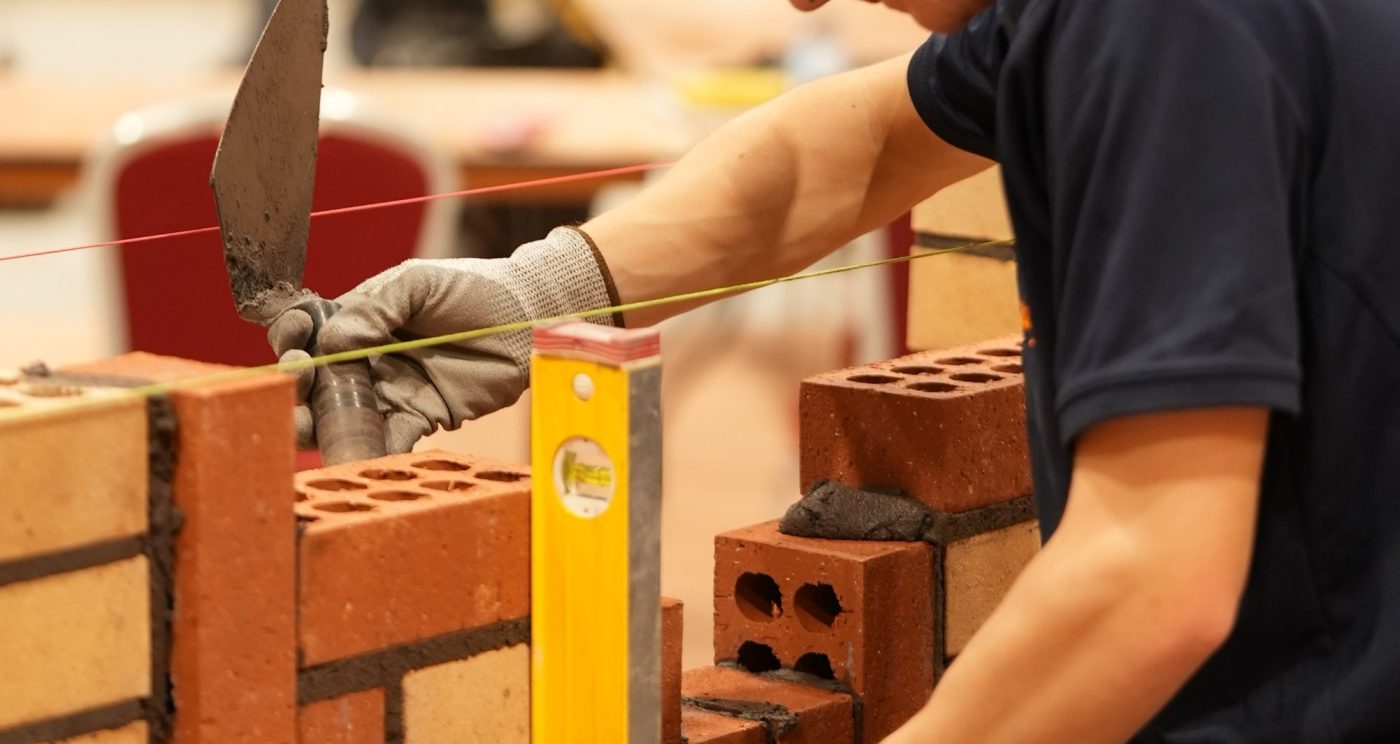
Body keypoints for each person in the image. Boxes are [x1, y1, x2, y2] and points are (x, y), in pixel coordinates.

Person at [272, 0, 1400, 740]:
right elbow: (859, 143)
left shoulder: (1148, 28)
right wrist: (546, 292)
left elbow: (1145, 582)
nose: (807, 3)